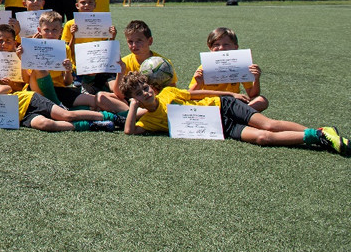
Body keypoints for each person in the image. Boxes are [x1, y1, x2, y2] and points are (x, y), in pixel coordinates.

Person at [118, 71, 348, 154]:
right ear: (134, 100)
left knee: (268, 124)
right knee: (262, 138)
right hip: (217, 127)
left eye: (145, 88)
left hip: (223, 106)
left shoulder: (167, 92)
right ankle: (318, 137)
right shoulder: (148, 120)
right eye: (139, 93)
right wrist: (134, 108)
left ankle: (321, 131)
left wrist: (229, 96)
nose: (145, 93)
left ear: (152, 86)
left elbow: (194, 94)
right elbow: (129, 132)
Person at [0, 68, 116, 132]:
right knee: (46, 125)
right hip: (22, 118)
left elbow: (8, 88)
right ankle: (90, 125)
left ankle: (109, 116)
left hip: (28, 100)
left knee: (65, 115)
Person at [188, 27, 268, 112]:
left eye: (226, 44)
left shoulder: (242, 65)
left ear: (235, 47)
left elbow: (253, 94)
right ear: (210, 48)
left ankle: (233, 115)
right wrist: (198, 83)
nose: (221, 48)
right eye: (216, 45)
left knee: (262, 100)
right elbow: (190, 95)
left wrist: (256, 79)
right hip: (211, 105)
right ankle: (237, 116)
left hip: (233, 103)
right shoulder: (204, 68)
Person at [61, 0, 117, 94]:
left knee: (111, 87)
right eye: (83, 2)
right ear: (77, 5)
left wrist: (112, 37)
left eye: (90, 2)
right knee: (79, 90)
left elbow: (106, 49)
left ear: (95, 5)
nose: (86, 5)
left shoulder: (101, 22)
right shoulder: (70, 24)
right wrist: (73, 36)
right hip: (78, 66)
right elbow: (67, 51)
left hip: (98, 64)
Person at [108, 20, 177, 101]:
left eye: (139, 41)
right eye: (130, 42)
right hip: (135, 103)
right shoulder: (125, 62)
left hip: (159, 102)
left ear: (150, 41)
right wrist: (120, 73)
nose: (134, 45)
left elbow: (172, 89)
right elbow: (120, 94)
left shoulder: (163, 63)